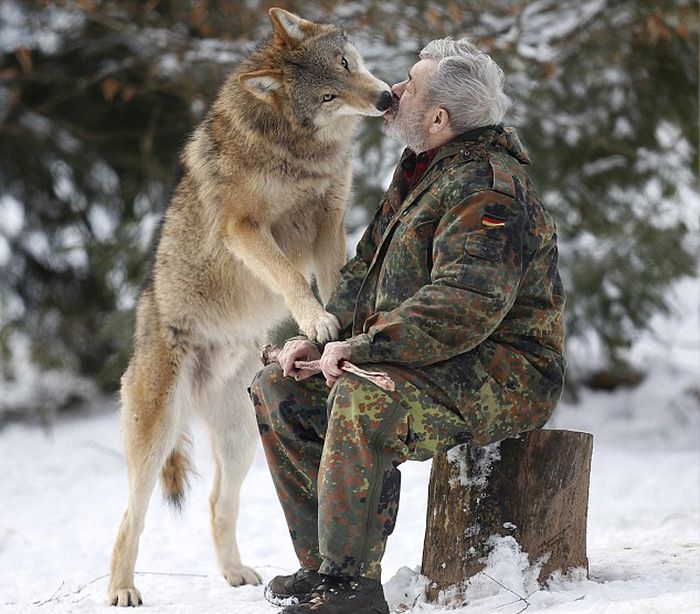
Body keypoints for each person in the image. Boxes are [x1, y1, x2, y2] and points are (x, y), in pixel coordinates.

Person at [249, 37, 566, 614]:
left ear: (439, 117)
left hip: (506, 372)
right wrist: (319, 337)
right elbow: (360, 273)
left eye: (410, 86)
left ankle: (352, 585)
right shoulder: (422, 170)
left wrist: (361, 350)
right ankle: (322, 568)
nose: (393, 91)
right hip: (427, 358)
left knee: (362, 399)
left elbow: (463, 305)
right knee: (280, 388)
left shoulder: (488, 188)